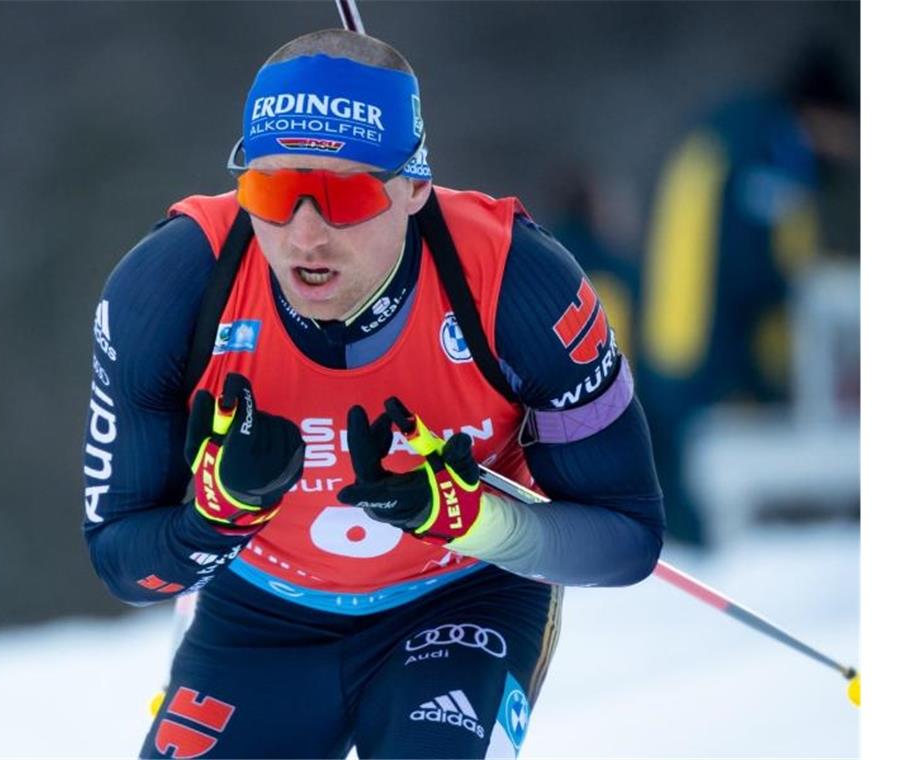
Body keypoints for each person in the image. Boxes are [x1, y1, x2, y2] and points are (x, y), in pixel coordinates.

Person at [83, 29, 664, 759]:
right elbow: (122, 562)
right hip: (261, 617)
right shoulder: (169, 288)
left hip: (462, 601)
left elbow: (628, 540)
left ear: (416, 186)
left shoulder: (516, 283)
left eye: (344, 196)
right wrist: (214, 519)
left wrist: (470, 520)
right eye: (271, 192)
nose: (305, 237)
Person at [638, 42, 859, 546]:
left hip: (679, 322)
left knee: (673, 449)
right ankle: (693, 556)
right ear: (823, 115)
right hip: (699, 331)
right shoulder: (767, 143)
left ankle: (679, 552)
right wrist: (765, 358)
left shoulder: (742, 130)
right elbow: (751, 260)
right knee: (692, 464)